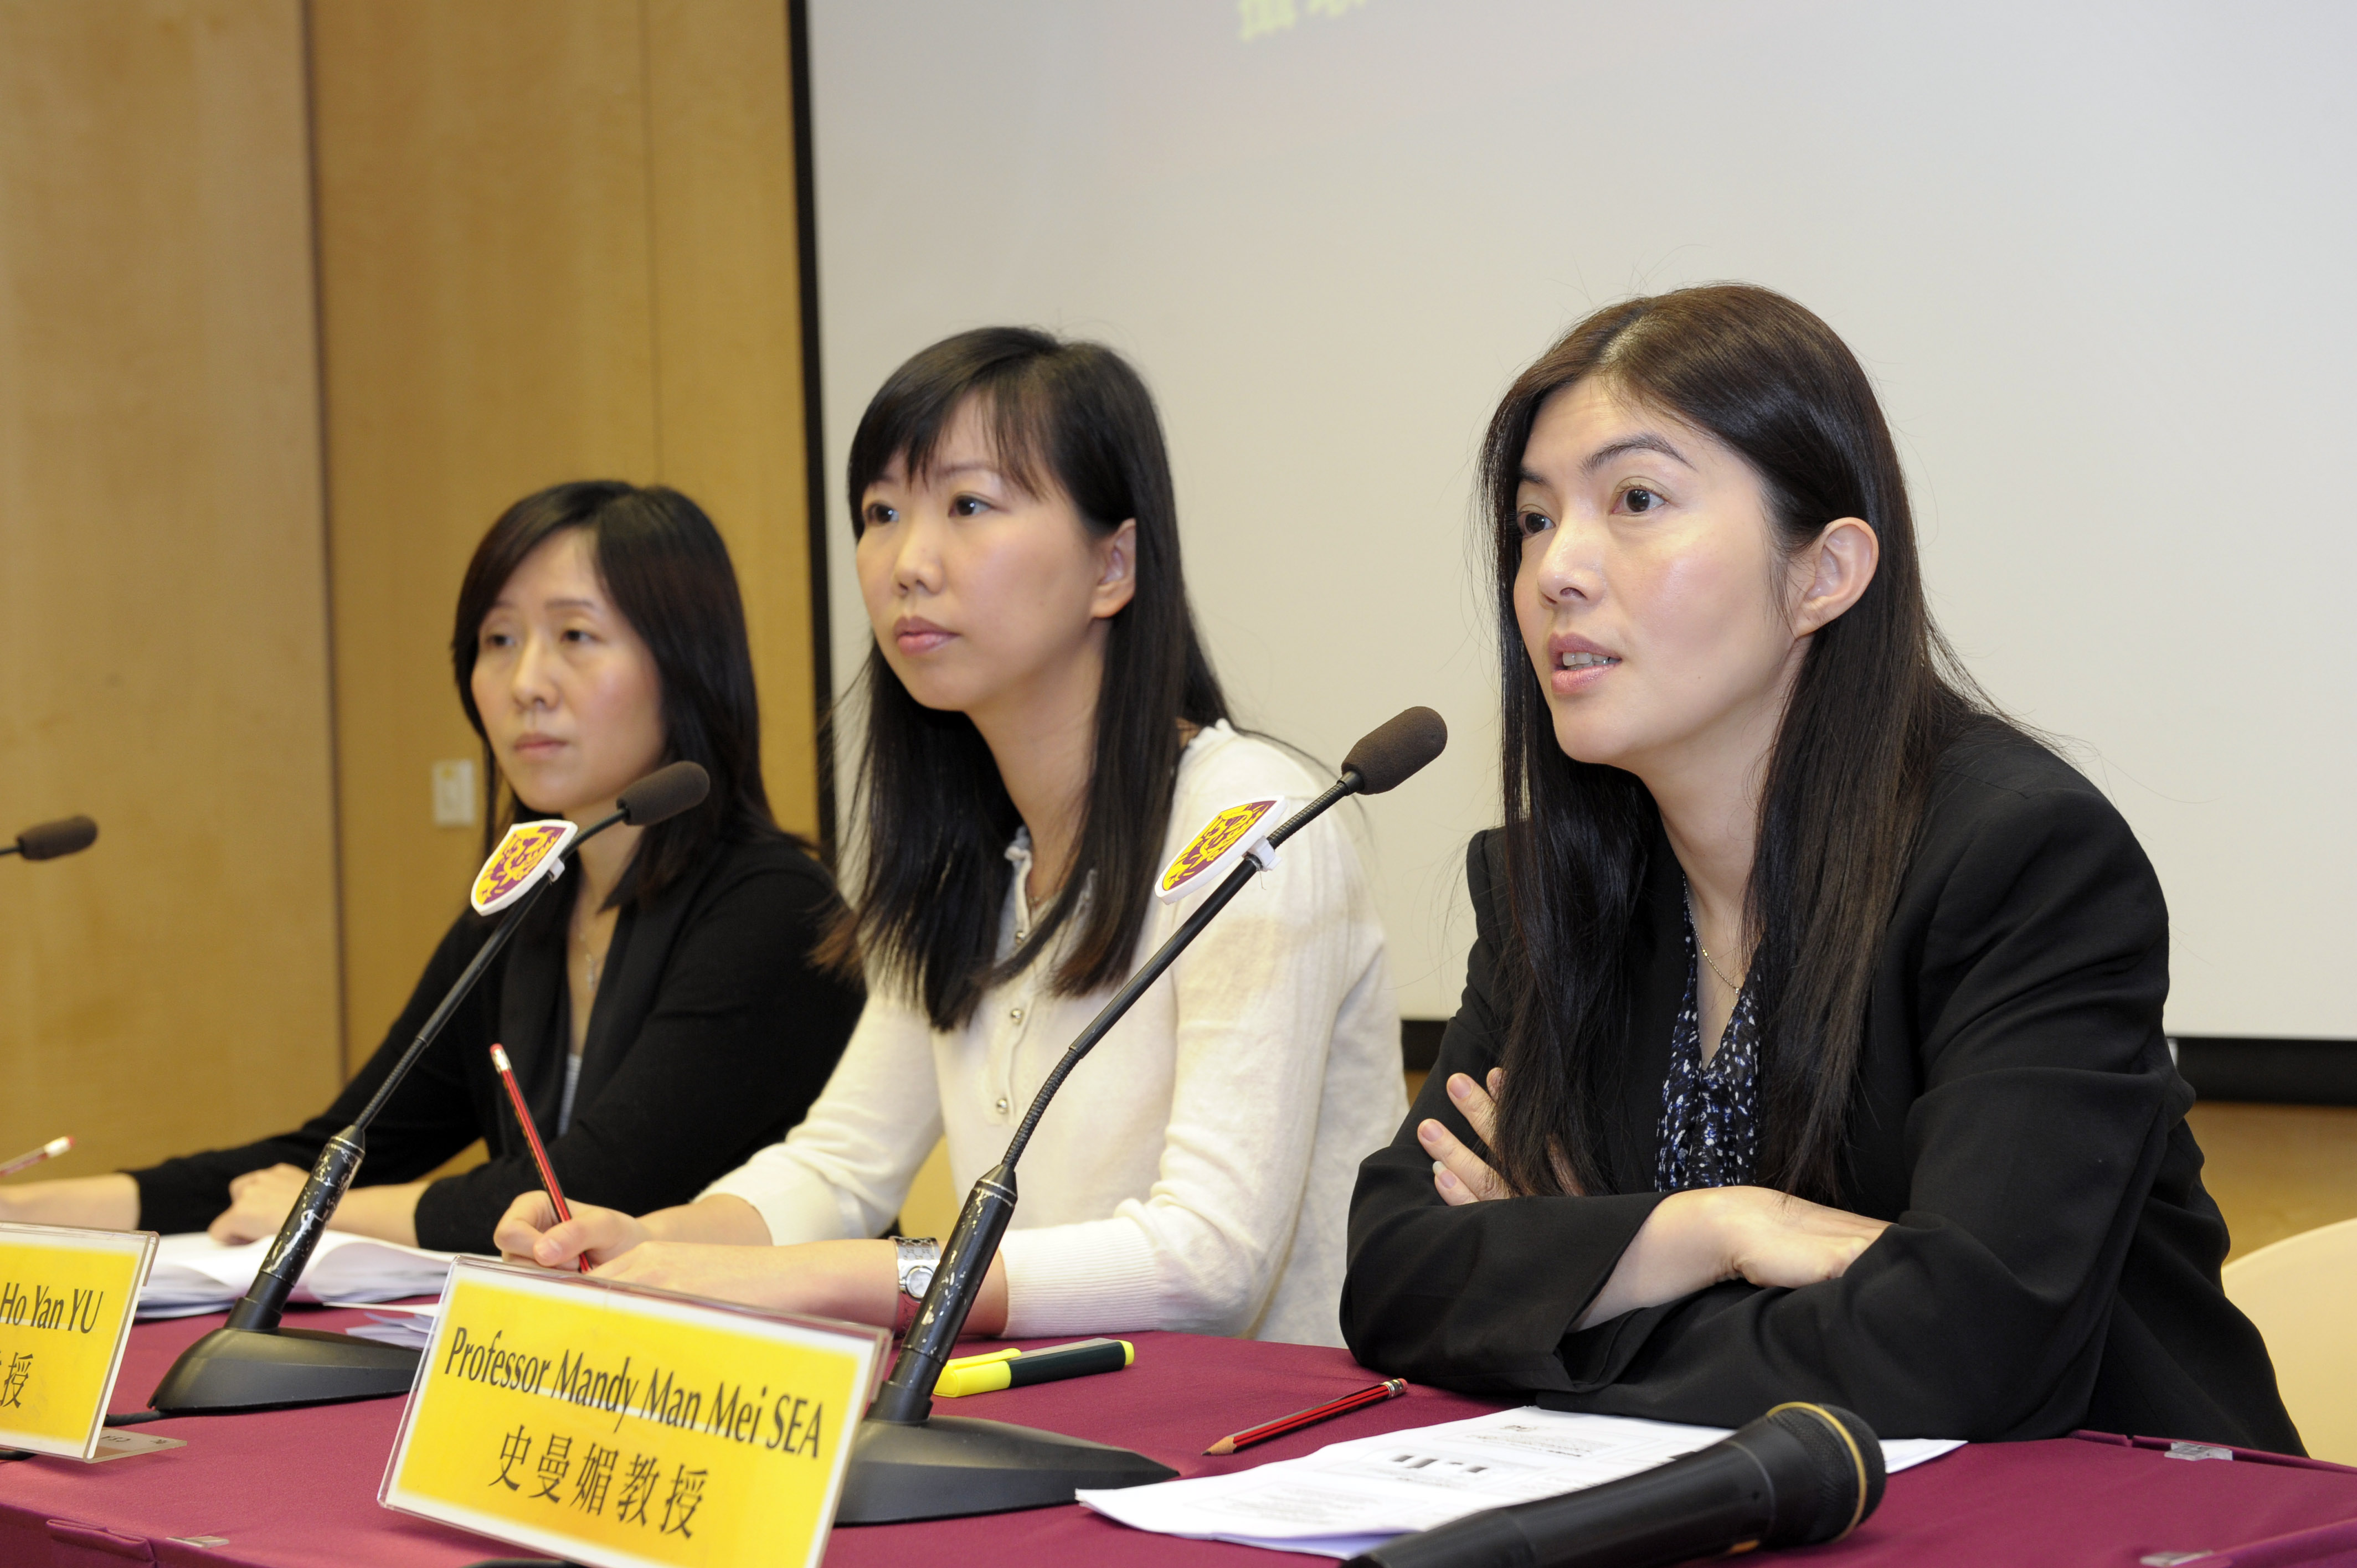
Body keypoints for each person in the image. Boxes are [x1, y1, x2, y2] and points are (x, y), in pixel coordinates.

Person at [1340, 285, 2299, 1450]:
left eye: (1634, 500)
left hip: (2107, 1513)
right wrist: (1715, 1231)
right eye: (1534, 521)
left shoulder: (2018, 862)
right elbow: (1396, 1274)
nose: (1556, 572)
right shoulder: (1555, 886)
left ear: (1824, 574)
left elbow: (1961, 1349)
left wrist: (1560, 1290)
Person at [498, 328, 1402, 1347]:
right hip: (1058, 1427)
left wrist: (844, 1280)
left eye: (967, 506)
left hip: (1269, 1457)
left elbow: (1210, 1265)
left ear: (1113, 565)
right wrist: (647, 1244)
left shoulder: (1249, 820)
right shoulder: (966, 858)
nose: (907, 565)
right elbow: (841, 1166)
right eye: (882, 514)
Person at [0, 482, 864, 1254]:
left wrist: (324, 1213)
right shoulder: (524, 904)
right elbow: (341, 1149)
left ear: (686, 667)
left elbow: (582, 1192)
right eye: (498, 639)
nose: (526, 681)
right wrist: (40, 1209)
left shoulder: (773, 912)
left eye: (574, 635)